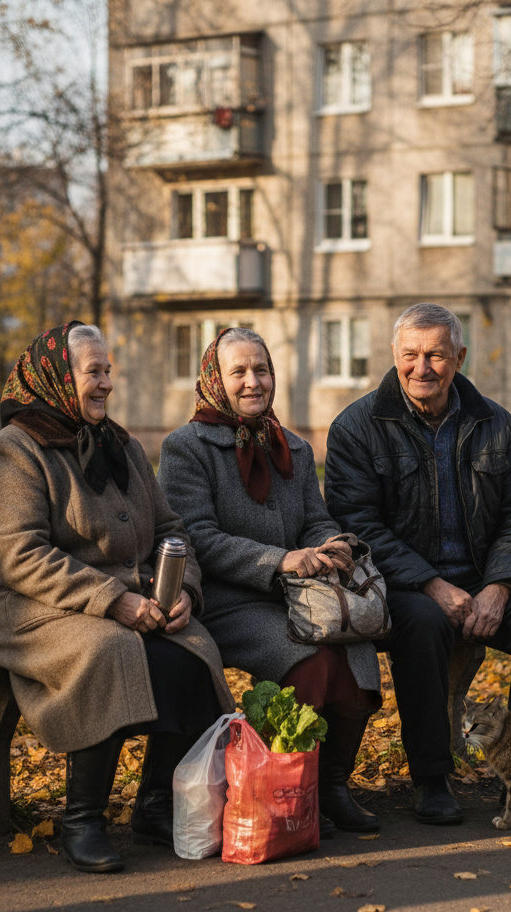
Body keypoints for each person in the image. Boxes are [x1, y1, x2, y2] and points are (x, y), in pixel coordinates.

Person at [0, 322, 234, 873]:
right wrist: (113, 599)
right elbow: (18, 554)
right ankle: (82, 820)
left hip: (119, 600)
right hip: (27, 606)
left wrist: (182, 589)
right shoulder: (12, 450)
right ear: (57, 378)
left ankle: (155, 806)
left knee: (194, 650)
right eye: (94, 371)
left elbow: (171, 528)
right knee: (109, 651)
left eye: (108, 371)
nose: (107, 383)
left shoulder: (122, 445)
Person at [324, 302, 511, 826]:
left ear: (459, 357)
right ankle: (432, 778)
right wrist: (432, 585)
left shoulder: (496, 424)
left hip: (484, 580)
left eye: (436, 355)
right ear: (394, 355)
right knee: (424, 624)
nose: (422, 368)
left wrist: (500, 587)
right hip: (403, 585)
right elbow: (358, 526)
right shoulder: (357, 427)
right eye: (410, 355)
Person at [158, 328, 382, 833]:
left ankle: (330, 787)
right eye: (238, 372)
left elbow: (315, 520)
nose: (253, 382)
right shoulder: (186, 448)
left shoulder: (292, 447)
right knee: (310, 660)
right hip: (226, 601)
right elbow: (196, 537)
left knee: (357, 652)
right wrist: (280, 561)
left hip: (298, 595)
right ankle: (281, 790)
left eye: (261, 369)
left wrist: (330, 545)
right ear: (215, 380)